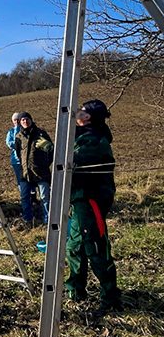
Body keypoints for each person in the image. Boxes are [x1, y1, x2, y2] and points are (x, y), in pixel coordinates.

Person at [64, 99, 122, 316]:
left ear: (87, 117)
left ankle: (111, 298)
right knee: (75, 246)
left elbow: (70, 159)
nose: (76, 112)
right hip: (79, 200)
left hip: (92, 200)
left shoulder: (95, 140)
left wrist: (49, 147)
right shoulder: (81, 135)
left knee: (96, 248)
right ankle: (76, 290)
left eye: (81, 110)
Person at [13, 111, 54, 225]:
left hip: (41, 172)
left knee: (45, 197)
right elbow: (18, 154)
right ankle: (28, 219)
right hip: (25, 173)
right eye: (23, 120)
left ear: (31, 120)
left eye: (27, 119)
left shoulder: (41, 134)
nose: (25, 121)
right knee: (24, 197)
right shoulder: (18, 137)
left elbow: (51, 151)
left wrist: (45, 163)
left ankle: (48, 220)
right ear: (20, 122)